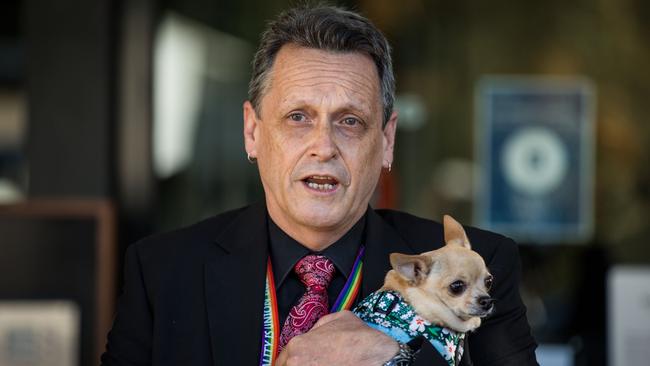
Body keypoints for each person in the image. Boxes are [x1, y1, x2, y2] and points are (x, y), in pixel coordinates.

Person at [101, 4, 538, 366]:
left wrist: (396, 354)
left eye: (350, 121)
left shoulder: (475, 265)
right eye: (298, 117)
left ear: (386, 142)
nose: (323, 146)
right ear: (253, 132)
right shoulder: (163, 271)